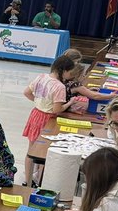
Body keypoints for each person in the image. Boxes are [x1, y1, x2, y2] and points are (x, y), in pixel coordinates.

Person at [21, 53, 78, 185]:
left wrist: (38, 101)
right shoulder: (59, 87)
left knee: (31, 150)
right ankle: (40, 182)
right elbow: (56, 110)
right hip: (48, 120)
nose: (71, 76)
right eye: (70, 72)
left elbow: (26, 92)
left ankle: (27, 181)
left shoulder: (41, 77)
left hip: (35, 115)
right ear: (63, 71)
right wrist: (70, 103)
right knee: (45, 153)